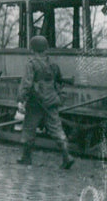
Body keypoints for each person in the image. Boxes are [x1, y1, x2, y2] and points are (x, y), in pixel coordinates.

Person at [16, 35, 75, 169]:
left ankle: (26, 157)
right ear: (45, 49)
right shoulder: (53, 65)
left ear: (33, 49)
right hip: (52, 101)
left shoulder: (31, 64)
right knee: (56, 129)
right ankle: (67, 156)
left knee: (29, 128)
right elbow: (59, 81)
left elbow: (27, 84)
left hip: (35, 102)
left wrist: (21, 100)